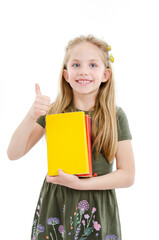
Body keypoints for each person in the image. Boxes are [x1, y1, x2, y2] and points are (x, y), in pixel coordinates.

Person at [7, 35, 135, 240]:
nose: (84, 70)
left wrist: (81, 184)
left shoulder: (115, 116)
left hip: (96, 206)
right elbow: (13, 153)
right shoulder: (52, 112)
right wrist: (32, 115)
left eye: (93, 64)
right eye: (76, 64)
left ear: (106, 75)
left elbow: (127, 175)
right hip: (57, 205)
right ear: (66, 75)